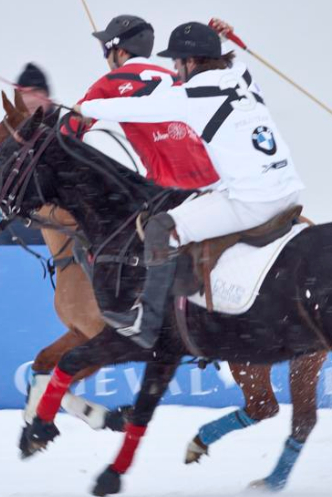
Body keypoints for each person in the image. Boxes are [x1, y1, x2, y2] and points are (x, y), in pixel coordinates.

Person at [74, 21, 304, 347]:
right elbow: (239, 57)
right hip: (290, 190)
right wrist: (225, 38)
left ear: (191, 62)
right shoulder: (245, 77)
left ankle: (146, 323)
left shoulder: (191, 95)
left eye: (177, 62)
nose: (175, 69)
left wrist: (87, 107)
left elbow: (136, 107)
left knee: (159, 228)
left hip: (253, 202)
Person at [78, 14, 219, 189]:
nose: (106, 57)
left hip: (170, 189)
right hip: (216, 179)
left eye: (106, 51)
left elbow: (67, 133)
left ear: (120, 52)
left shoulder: (110, 82)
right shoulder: (177, 77)